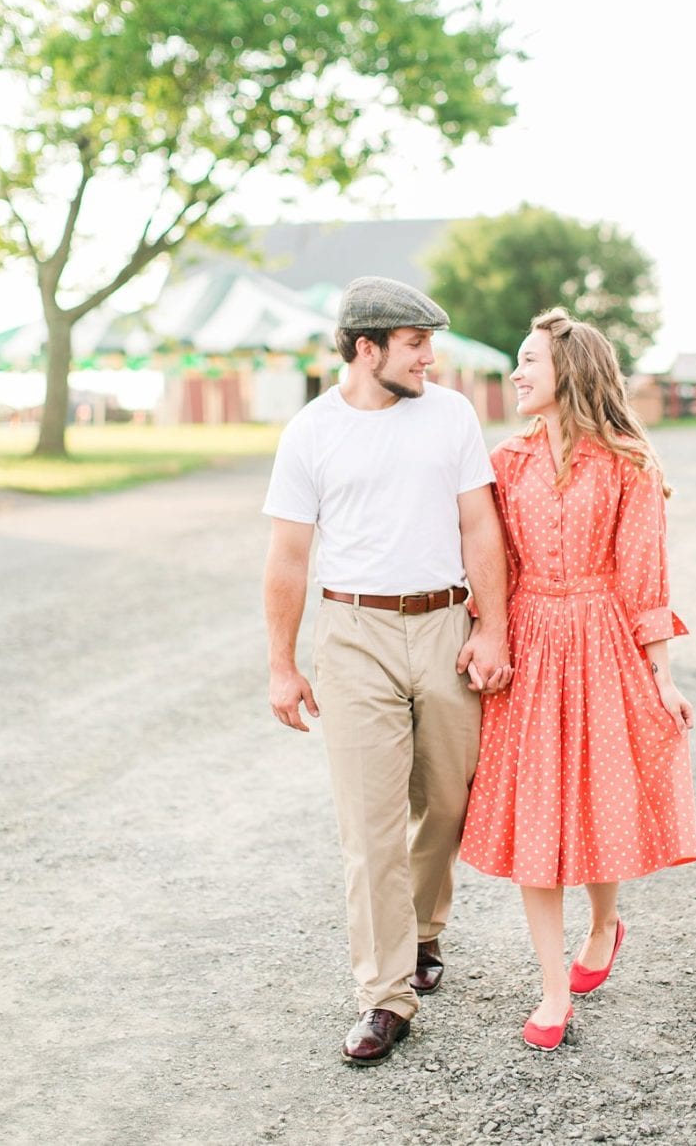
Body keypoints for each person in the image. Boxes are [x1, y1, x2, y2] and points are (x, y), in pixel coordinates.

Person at [262, 277, 513, 1066]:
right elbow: (288, 556)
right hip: (353, 634)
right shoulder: (310, 432)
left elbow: (480, 523)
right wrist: (281, 664)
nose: (430, 357)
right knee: (369, 828)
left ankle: (424, 928)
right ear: (366, 348)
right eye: (415, 343)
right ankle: (385, 993)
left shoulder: (452, 414)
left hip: (444, 625)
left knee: (447, 797)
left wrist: (493, 625)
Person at [459, 308, 696, 1051]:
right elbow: (490, 559)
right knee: (538, 812)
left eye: (530, 360)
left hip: (601, 640)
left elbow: (643, 575)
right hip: (530, 640)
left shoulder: (627, 461)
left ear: (572, 370)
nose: (517, 373)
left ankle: (603, 923)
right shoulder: (507, 459)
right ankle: (552, 987)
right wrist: (483, 627)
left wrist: (661, 676)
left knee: (595, 799)